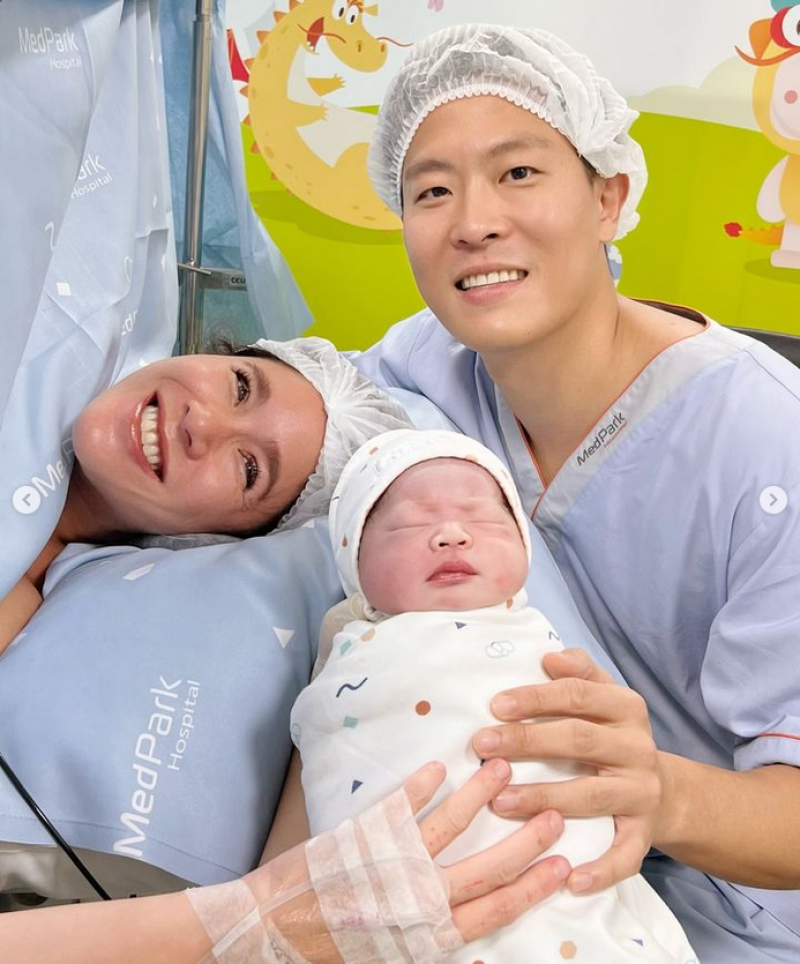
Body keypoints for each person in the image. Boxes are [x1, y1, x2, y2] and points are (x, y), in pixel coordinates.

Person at [348, 22, 800, 962]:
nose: (473, 221)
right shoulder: (421, 372)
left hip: (734, 916)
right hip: (515, 890)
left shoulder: (761, 439)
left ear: (608, 196)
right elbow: (275, 416)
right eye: (432, 190)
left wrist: (659, 794)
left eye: (518, 172)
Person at [286, 427, 698, 964]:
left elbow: (609, 761)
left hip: (567, 879)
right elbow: (331, 760)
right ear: (355, 568)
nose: (451, 534)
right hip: (415, 903)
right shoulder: (352, 655)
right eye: (409, 523)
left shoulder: (542, 642)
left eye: (482, 517)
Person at [0, 336, 413, 653]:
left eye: (250, 470)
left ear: (216, 538)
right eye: (241, 387)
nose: (200, 423)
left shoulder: (11, 604)